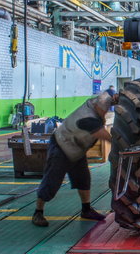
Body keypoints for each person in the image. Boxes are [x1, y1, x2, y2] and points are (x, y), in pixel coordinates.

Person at [32, 92, 118, 227]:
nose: (106, 112)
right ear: (98, 108)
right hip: (61, 146)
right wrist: (122, 143)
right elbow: (106, 137)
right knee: (52, 180)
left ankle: (86, 210)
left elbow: (108, 97)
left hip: (76, 149)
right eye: (104, 110)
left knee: (83, 178)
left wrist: (118, 98)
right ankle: (38, 212)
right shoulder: (88, 118)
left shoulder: (94, 103)